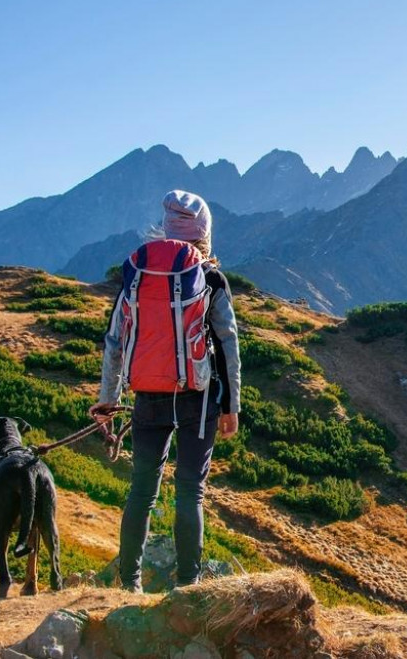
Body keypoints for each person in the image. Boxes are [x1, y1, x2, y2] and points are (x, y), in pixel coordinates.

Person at [91, 190, 241, 592]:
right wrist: (231, 406)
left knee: (142, 490)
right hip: (199, 397)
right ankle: (188, 586)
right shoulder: (209, 277)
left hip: (147, 397)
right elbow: (227, 342)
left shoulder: (136, 274)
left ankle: (130, 583)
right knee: (190, 491)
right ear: (204, 234)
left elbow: (115, 341)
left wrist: (109, 400)